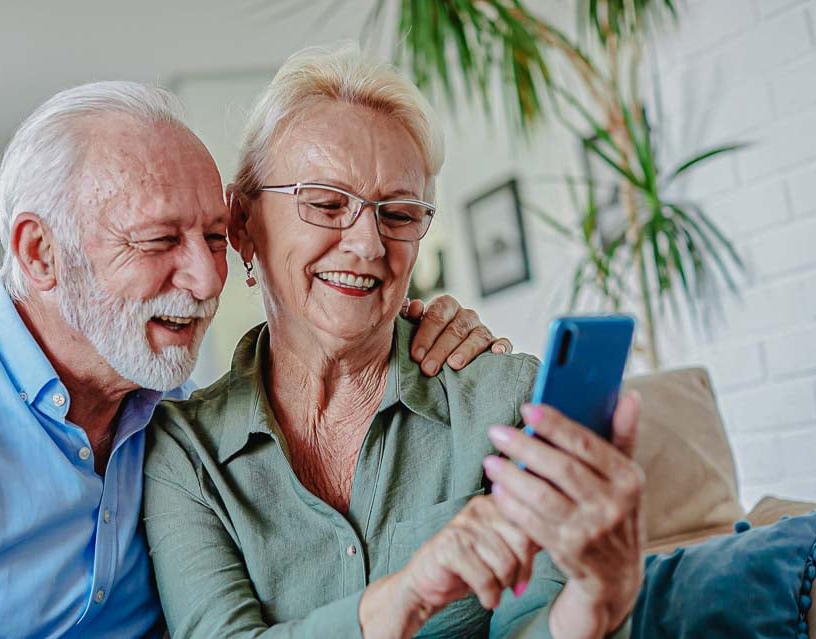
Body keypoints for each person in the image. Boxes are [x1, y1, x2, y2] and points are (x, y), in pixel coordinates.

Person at [0, 81, 512, 637]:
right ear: (40, 252)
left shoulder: (168, 418)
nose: (204, 278)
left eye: (216, 238)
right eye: (159, 241)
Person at [143, 44, 645, 638]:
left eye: (400, 215)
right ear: (245, 224)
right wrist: (407, 595)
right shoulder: (186, 450)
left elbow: (534, 623)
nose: (369, 245)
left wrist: (600, 592)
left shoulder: (505, 400)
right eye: (327, 205)